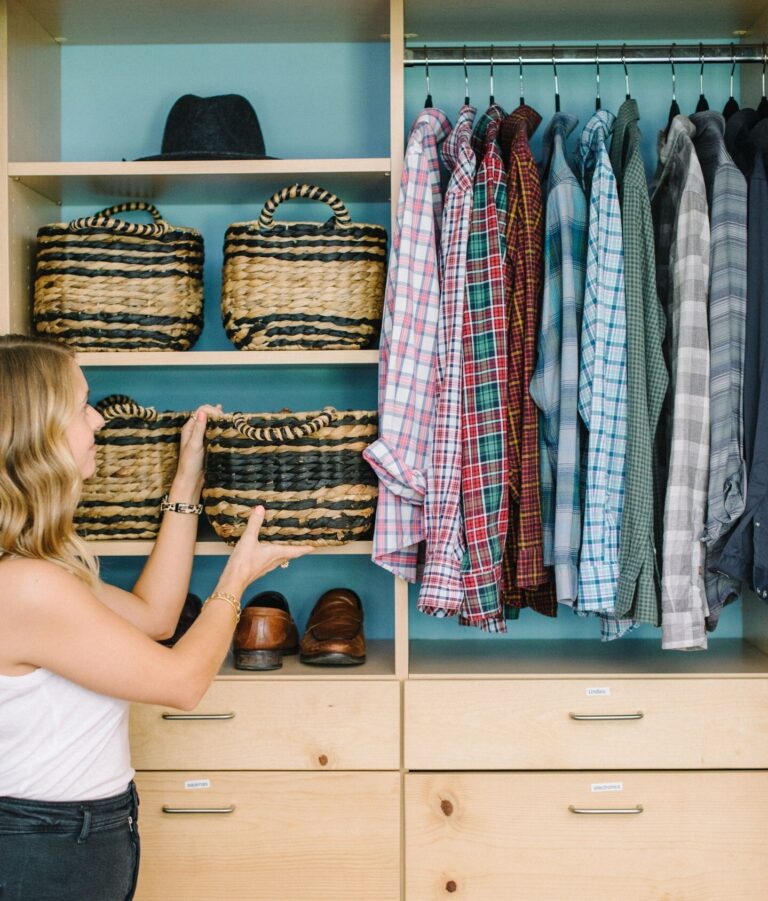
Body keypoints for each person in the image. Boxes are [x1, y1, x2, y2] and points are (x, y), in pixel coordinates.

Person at [0, 334, 312, 900]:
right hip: (42, 845)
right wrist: (235, 579)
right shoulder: (27, 586)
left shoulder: (33, 567)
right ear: (35, 435)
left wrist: (187, 476)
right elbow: (182, 682)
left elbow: (154, 619)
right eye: (79, 405)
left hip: (74, 830)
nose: (95, 419)